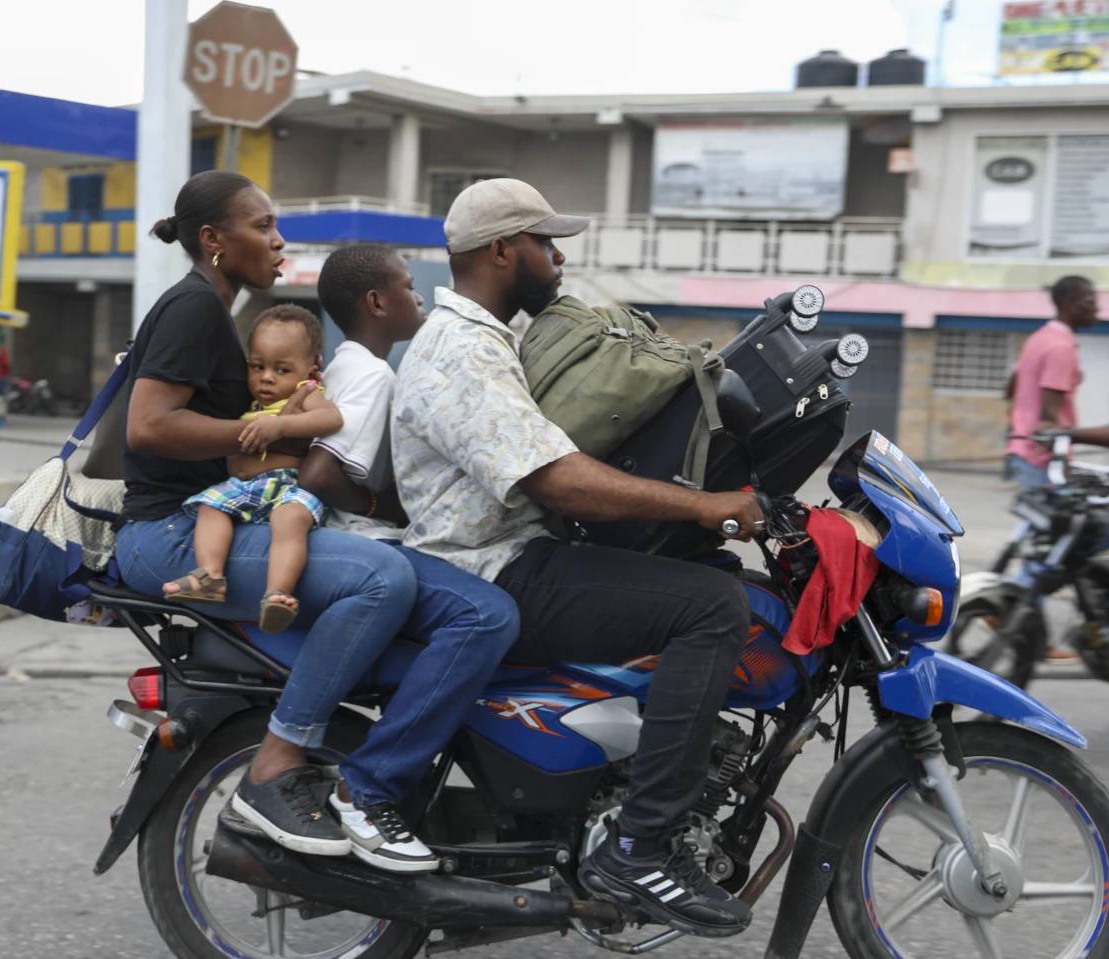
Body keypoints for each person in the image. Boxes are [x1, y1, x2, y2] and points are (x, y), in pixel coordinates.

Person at [390, 178, 762, 938]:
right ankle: (640, 845)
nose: (557, 257)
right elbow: (555, 476)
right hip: (495, 567)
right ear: (501, 250)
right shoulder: (462, 349)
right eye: (543, 242)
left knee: (713, 579)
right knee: (712, 607)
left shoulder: (493, 338)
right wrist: (703, 506)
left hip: (515, 551)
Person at [113, 170, 416, 858]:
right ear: (215, 241)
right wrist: (258, 432)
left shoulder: (213, 310)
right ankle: (276, 767)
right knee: (381, 580)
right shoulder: (195, 307)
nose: (279, 241)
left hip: (197, 520)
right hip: (167, 532)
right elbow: (149, 425)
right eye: (263, 226)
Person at [295, 243, 521, 873]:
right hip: (361, 547)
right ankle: (372, 787)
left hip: (345, 541)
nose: (419, 297)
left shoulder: (348, 367)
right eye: (406, 286)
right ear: (376, 302)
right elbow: (319, 474)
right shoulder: (374, 374)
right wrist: (388, 509)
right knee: (486, 616)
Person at [164, 305, 344, 633]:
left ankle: (278, 594)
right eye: (257, 366)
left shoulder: (307, 394)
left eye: (282, 369)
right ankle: (210, 576)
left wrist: (282, 426)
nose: (266, 378)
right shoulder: (254, 405)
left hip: (286, 486)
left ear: (311, 367)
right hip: (243, 488)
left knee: (289, 521)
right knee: (210, 508)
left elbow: (331, 419)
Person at [1005, 275, 1099, 491]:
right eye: (1090, 302)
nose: (1097, 309)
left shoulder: (1039, 338)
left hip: (1022, 448)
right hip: (1043, 456)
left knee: (1035, 521)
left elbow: (1011, 387)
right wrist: (1060, 460)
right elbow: (1049, 416)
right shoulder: (1061, 348)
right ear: (1070, 305)